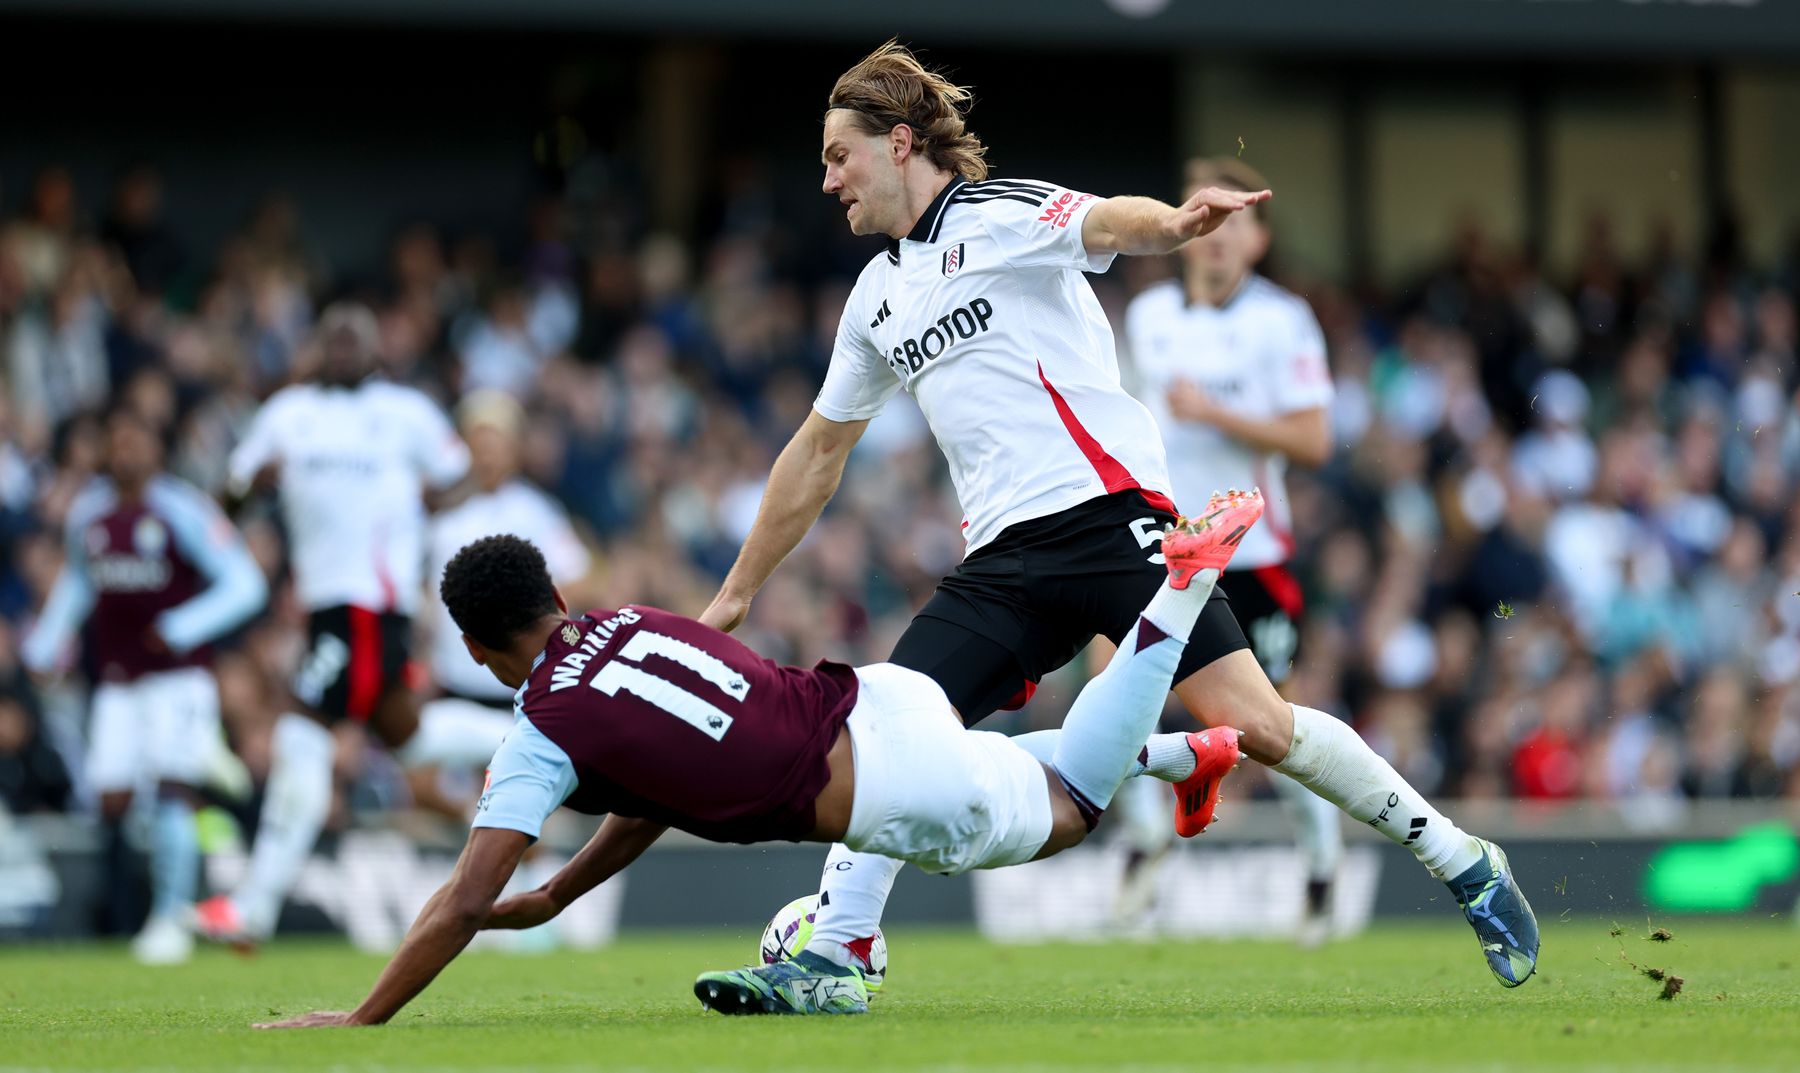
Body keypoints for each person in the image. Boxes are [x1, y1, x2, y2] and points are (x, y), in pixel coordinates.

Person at [696, 40, 1537, 994]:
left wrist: (1177, 224)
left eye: (836, 156)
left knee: (1262, 723)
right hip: (1002, 562)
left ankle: (1467, 863)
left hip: (1113, 522)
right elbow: (816, 453)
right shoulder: (874, 300)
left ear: (898, 144)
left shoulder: (1000, 214)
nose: (827, 180)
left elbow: (1108, 224)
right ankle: (835, 957)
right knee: (891, 733)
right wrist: (735, 591)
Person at [253, 492, 1256, 1027]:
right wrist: (559, 893)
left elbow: (466, 898)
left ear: (474, 647)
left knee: (1072, 801)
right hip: (882, 695)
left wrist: (361, 1014)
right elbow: (654, 790)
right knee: (1016, 770)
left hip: (885, 785)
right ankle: (1179, 750)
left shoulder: (541, 729)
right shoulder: (633, 618)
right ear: (557, 593)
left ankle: (1172, 595)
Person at [195, 302, 495, 947]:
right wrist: (254, 488)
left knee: (303, 735)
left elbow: (463, 472)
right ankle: (538, 731)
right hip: (329, 605)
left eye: (354, 338)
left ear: (374, 348)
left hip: (369, 603)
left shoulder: (404, 411)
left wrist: (430, 504)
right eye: (332, 338)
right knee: (406, 734)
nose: (343, 348)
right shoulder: (288, 413)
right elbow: (227, 496)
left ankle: (254, 908)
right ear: (317, 348)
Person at [1118, 156, 1343, 944]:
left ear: (1259, 238)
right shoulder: (1147, 321)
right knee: (1119, 696)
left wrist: (1216, 413)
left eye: (1237, 224)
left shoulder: (1283, 320)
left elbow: (1314, 439)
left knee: (1274, 730)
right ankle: (1146, 845)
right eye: (1207, 219)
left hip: (1254, 555)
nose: (1217, 239)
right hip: (1171, 552)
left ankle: (1321, 861)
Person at [22, 403, 268, 964]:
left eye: (137, 437)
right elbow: (79, 587)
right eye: (117, 438)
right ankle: (210, 768)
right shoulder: (89, 515)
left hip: (178, 681)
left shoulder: (182, 510)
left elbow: (245, 585)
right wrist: (45, 644)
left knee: (170, 793)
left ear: (157, 449)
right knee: (111, 798)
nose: (126, 448)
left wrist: (183, 626)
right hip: (118, 681)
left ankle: (169, 918)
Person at [416, 389, 589, 814]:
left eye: (497, 444)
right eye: (479, 445)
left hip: (518, 682)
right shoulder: (442, 519)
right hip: (452, 682)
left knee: (521, 796)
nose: (488, 456)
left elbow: (580, 578)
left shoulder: (537, 513)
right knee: (429, 784)